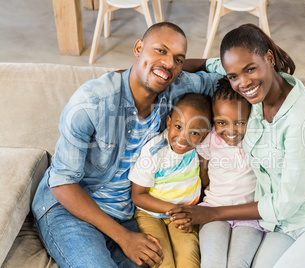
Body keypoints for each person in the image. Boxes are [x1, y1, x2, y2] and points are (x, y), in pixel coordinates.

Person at [31, 22, 223, 268]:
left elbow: (229, 79)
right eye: (160, 51)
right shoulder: (91, 102)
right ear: (138, 47)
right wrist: (123, 237)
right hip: (69, 209)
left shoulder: (179, 89)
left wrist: (275, 74)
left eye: (178, 59)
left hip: (126, 214)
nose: (168, 64)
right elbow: (62, 182)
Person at [168, 23, 305, 267]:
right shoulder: (253, 100)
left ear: (269, 58)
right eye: (234, 76)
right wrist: (143, 71)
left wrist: (213, 213)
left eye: (250, 69)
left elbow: (284, 204)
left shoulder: (298, 121)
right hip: (280, 227)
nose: (243, 83)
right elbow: (208, 64)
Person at [128, 93, 212, 268]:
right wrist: (175, 209)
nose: (183, 137)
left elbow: (205, 182)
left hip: (184, 215)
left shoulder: (201, 150)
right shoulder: (154, 151)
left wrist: (193, 213)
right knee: (161, 258)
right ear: (169, 123)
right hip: (150, 214)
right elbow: (138, 196)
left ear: (203, 136)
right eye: (179, 127)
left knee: (189, 257)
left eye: (194, 132)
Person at [196, 77, 265, 267]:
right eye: (221, 123)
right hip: (214, 208)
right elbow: (203, 170)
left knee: (238, 263)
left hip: (249, 216)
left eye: (240, 123)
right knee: (212, 261)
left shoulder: (258, 139)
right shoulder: (209, 140)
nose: (231, 130)